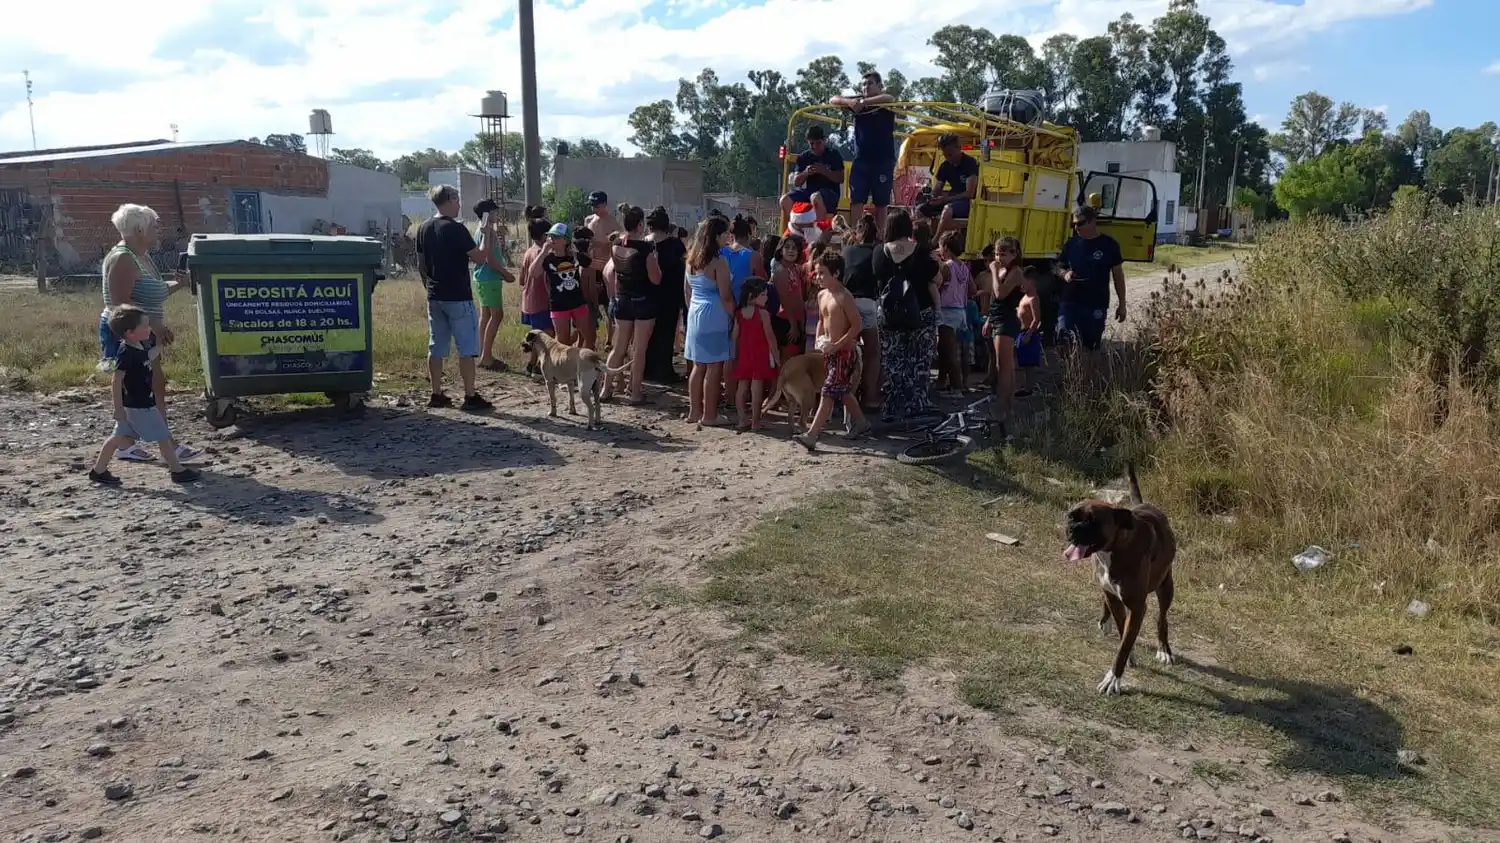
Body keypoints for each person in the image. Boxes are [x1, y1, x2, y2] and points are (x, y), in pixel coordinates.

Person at [98, 203, 201, 465]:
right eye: (155, 225)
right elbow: (119, 307)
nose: (159, 230)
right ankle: (167, 446)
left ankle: (126, 444)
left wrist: (179, 283)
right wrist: (153, 325)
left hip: (144, 333)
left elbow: (152, 291)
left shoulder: (142, 256)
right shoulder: (123, 258)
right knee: (146, 389)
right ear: (140, 229)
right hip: (130, 336)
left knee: (151, 387)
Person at [89, 305, 201, 486]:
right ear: (130, 332)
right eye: (145, 326)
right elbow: (116, 381)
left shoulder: (137, 346)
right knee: (163, 435)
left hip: (135, 404)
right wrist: (118, 409)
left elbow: (147, 356)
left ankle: (98, 470)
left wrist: (159, 345)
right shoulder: (126, 353)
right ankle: (177, 471)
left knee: (118, 437)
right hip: (139, 405)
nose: (149, 329)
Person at [415, 185, 504, 410]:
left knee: (436, 346)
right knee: (466, 347)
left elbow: (421, 265)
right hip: (458, 297)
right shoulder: (456, 229)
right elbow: (481, 258)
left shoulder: (423, 227)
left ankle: (436, 393)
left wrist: (430, 287)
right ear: (450, 199)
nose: (459, 204)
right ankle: (470, 395)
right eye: (457, 199)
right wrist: (485, 236)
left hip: (435, 296)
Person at [795, 251, 870, 451]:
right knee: (842, 391)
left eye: (822, 273)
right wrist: (819, 341)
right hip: (828, 351)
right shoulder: (821, 295)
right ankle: (862, 423)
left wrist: (837, 345)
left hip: (844, 352)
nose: (818, 277)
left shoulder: (844, 296)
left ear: (836, 274)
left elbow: (856, 325)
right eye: (817, 273)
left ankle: (812, 435)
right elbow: (821, 320)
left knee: (828, 392)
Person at [874, 210, 941, 420]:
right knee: (919, 359)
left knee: (893, 359)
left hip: (889, 314)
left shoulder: (879, 252)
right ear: (907, 227)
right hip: (921, 312)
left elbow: (878, 280)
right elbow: (937, 280)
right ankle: (917, 403)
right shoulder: (922, 252)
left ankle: (892, 404)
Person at [601, 206, 661, 404]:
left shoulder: (616, 244)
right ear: (640, 225)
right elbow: (655, 279)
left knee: (618, 348)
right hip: (643, 301)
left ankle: (605, 389)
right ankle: (635, 392)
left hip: (622, 300)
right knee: (639, 350)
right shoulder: (646, 249)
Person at [683, 216, 736, 427]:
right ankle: (710, 415)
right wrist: (734, 316)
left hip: (695, 311)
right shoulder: (718, 262)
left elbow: (686, 291)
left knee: (698, 366)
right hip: (715, 313)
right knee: (714, 367)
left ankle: (694, 411)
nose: (727, 237)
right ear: (716, 236)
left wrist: (690, 312)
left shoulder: (691, 259)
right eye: (725, 234)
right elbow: (725, 295)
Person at [986, 237, 1040, 440]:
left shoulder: (1015, 272)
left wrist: (992, 270)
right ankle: (1008, 405)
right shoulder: (1001, 270)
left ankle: (1003, 406)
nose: (999, 257)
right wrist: (988, 320)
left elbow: (1000, 294)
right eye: (997, 253)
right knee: (1005, 365)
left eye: (1004, 253)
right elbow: (994, 299)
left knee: (1004, 367)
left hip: (1007, 322)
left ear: (1014, 254)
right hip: (997, 318)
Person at [831, 70, 898, 232]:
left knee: (881, 203)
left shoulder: (885, 103)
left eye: (870, 83)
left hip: (883, 161)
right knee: (857, 200)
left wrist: (865, 103)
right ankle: (856, 234)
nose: (866, 86)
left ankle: (881, 236)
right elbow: (833, 99)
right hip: (861, 161)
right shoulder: (857, 101)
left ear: (879, 86)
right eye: (863, 84)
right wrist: (852, 103)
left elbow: (890, 98)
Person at [1055, 204, 1126, 352]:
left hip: (1095, 304)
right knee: (1064, 340)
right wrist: (1065, 274)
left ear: (1093, 221)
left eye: (1080, 223)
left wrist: (1122, 303)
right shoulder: (1071, 244)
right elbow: (1058, 267)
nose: (1076, 228)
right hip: (1071, 301)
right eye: (1074, 225)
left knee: (1090, 347)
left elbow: (1118, 275)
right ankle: (1069, 372)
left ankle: (1087, 373)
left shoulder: (1109, 245)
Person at [840, 212, 883, 412]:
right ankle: (870, 396)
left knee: (847, 352)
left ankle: (843, 395)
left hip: (847, 303)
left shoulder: (847, 252)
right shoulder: (878, 251)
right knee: (872, 352)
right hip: (868, 303)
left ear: (857, 233)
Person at [471, 199, 515, 372]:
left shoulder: (480, 230)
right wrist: (505, 273)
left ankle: (483, 352)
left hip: (482, 278)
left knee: (486, 316)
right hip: (490, 278)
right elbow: (489, 258)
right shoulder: (487, 231)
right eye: (495, 212)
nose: (498, 215)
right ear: (487, 214)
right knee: (497, 315)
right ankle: (487, 357)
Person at [643, 207, 687, 383]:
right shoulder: (676, 245)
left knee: (648, 335)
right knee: (666, 335)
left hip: (648, 295)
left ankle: (647, 370)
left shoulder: (644, 244)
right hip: (670, 296)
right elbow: (684, 271)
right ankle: (664, 371)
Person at [730, 277, 779, 431]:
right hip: (760, 356)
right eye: (763, 294)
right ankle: (755, 422)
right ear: (752, 295)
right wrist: (776, 356)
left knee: (742, 388)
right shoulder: (763, 314)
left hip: (745, 355)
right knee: (756, 389)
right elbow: (770, 337)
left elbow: (734, 336)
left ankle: (742, 419)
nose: (766, 297)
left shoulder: (739, 313)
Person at [538, 223, 596, 349]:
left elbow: (596, 265)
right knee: (562, 342)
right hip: (558, 305)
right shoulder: (547, 259)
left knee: (589, 337)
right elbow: (532, 273)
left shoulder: (575, 256)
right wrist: (543, 252)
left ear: (565, 240)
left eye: (556, 237)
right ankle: (561, 366)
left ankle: (587, 363)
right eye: (550, 236)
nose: (552, 239)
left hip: (578, 303)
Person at [935, 231, 977, 396]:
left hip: (947, 312)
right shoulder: (964, 267)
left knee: (950, 352)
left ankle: (957, 387)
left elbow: (938, 285)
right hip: (960, 312)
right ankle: (941, 382)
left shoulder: (947, 267)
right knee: (945, 349)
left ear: (945, 247)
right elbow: (972, 290)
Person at [780, 125, 844, 223]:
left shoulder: (833, 154)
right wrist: (806, 173)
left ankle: (819, 232)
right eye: (811, 143)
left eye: (818, 143)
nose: (814, 146)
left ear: (824, 140)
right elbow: (797, 182)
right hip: (809, 192)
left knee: (815, 197)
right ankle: (796, 230)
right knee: (784, 200)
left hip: (829, 194)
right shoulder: (804, 157)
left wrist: (824, 171)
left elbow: (840, 178)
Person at [921, 134, 979, 241]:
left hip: (968, 202)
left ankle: (934, 241)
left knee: (947, 210)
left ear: (958, 148)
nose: (948, 158)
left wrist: (945, 199)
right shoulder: (945, 166)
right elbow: (937, 187)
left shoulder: (970, 163)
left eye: (950, 154)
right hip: (952, 200)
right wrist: (932, 197)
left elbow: (969, 193)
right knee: (920, 210)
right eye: (945, 155)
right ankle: (921, 239)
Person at [517, 211, 554, 377]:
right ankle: (539, 368)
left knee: (539, 335)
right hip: (541, 302)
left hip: (529, 301)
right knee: (546, 336)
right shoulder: (542, 253)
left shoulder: (528, 252)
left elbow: (521, 280)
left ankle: (531, 365)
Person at [585, 192, 623, 347]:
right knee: (590, 303)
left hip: (606, 268)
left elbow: (618, 242)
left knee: (609, 304)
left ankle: (609, 339)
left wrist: (601, 244)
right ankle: (589, 337)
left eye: (597, 205)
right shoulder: (589, 220)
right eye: (592, 206)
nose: (594, 209)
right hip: (591, 268)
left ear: (605, 204)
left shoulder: (613, 222)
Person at [768, 234, 807, 359]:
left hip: (797, 319)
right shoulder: (781, 271)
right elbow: (784, 300)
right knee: (788, 360)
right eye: (787, 247)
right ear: (781, 250)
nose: (791, 250)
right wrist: (793, 325)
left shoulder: (796, 269)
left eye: (794, 248)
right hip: (785, 321)